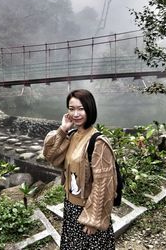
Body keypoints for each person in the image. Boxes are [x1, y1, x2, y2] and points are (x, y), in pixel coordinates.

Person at [43, 89, 117, 249]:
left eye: (81, 108)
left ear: (90, 109)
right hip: (71, 207)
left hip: (88, 210)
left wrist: (93, 220)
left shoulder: (98, 142)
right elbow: (51, 156)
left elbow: (103, 184)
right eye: (71, 108)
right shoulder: (71, 135)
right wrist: (62, 130)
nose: (76, 113)